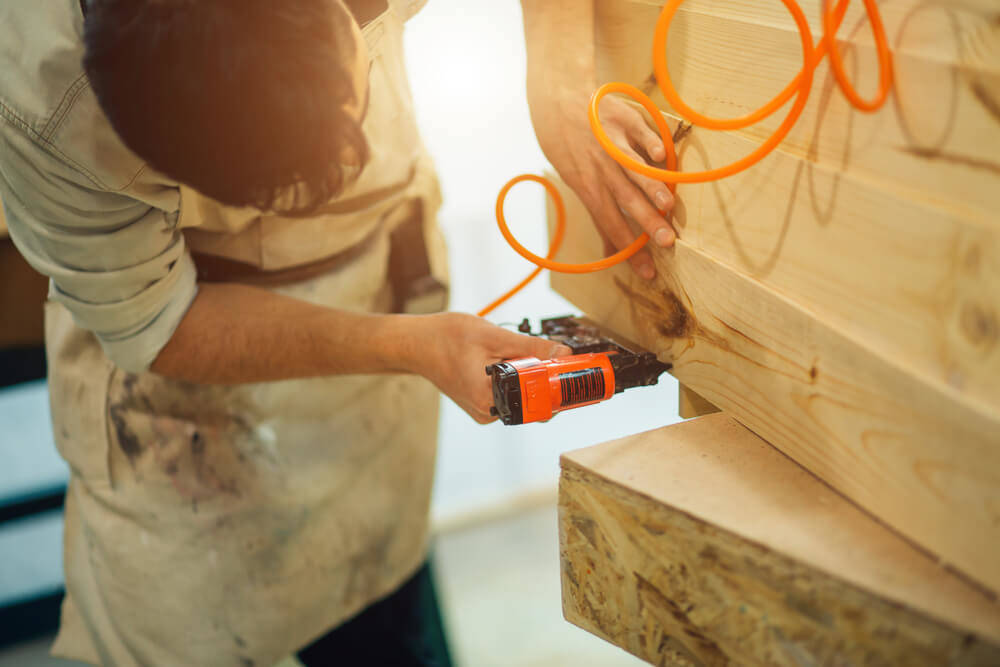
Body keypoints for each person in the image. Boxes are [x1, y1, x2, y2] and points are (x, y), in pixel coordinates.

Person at [0, 0, 676, 664]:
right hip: (174, 431)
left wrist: (558, 86)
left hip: (372, 304)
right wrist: (406, 344)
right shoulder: (38, 100)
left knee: (388, 615)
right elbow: (161, 319)